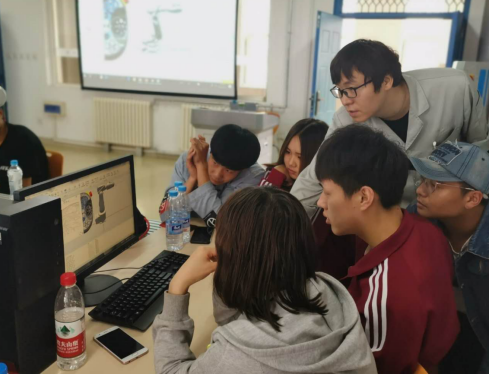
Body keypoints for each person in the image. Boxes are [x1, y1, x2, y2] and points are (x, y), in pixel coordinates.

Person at [153, 186, 377, 374]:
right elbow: (229, 320)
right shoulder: (324, 289)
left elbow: (170, 369)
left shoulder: (240, 355)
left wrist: (177, 287)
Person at [315, 124, 459, 373]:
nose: (320, 202)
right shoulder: (422, 229)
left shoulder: (386, 296)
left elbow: (373, 367)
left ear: (364, 197)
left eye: (327, 192)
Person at [292, 39, 489, 214]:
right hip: (396, 215)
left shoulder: (455, 89)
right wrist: (285, 223)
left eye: (351, 89)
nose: (345, 100)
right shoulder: (345, 120)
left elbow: (480, 151)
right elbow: (316, 175)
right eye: (340, 91)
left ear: (386, 81)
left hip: (451, 209)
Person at [409, 141, 489, 373]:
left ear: (472, 199)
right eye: (422, 180)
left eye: (434, 185)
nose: (420, 190)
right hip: (451, 339)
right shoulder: (419, 216)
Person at [159, 124, 264, 229]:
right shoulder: (189, 159)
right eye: (215, 163)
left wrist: (201, 166)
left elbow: (221, 222)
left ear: (243, 169)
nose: (217, 174)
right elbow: (164, 215)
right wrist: (192, 178)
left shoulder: (252, 176)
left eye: (228, 170)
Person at [0, 109, 49, 194]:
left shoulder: (24, 138)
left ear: (0, 113)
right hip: (1, 193)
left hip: (32, 194)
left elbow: (26, 190)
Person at [259, 118, 328, 191]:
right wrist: (276, 176)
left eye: (300, 157)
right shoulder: (276, 173)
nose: (291, 163)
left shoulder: (323, 191)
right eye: (288, 152)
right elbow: (259, 197)